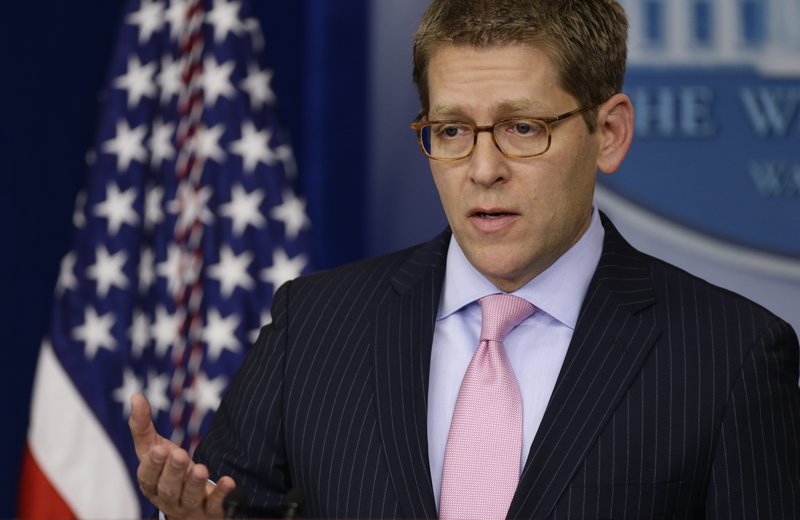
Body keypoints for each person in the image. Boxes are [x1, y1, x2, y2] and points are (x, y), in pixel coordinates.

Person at [129, 0, 800, 518]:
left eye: (522, 128)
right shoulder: (312, 325)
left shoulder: (731, 356)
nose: (482, 169)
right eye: (451, 130)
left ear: (610, 133)